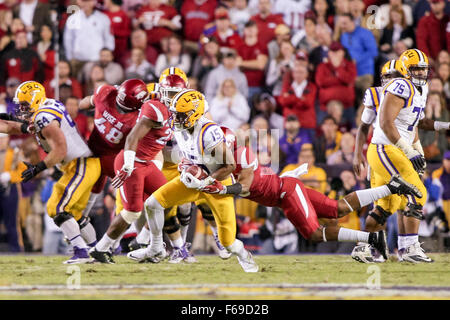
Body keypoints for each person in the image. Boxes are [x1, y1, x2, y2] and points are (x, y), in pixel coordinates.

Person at [199, 128, 421, 260]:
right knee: (337, 208)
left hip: (286, 193)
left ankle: (373, 237)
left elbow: (245, 186)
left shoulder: (242, 155)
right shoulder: (225, 164)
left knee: (314, 234)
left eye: (215, 148)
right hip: (285, 190)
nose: (213, 153)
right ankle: (392, 188)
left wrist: (223, 188)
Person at [130, 89, 259, 272]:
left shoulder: (208, 132)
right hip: (193, 180)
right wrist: (185, 164)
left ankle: (244, 255)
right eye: (175, 114)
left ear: (194, 114)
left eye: (180, 115)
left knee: (228, 242)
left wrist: (207, 181)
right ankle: (156, 247)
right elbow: (186, 154)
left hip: (218, 186)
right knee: (152, 204)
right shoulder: (179, 128)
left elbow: (229, 165)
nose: (176, 119)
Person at [0, 81, 101, 264]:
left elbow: (60, 150)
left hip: (80, 164)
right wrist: (12, 121)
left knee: (56, 207)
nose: (21, 109)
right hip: (80, 164)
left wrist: (38, 167)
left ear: (35, 100)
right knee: (75, 215)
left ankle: (81, 251)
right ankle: (100, 250)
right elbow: (12, 127)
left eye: (24, 105)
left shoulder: (43, 118)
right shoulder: (46, 108)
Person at [366, 49, 433, 263]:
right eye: (416, 69)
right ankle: (409, 249)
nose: (421, 74)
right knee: (417, 193)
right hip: (386, 148)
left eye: (424, 69)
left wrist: (418, 151)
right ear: (405, 69)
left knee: (389, 204)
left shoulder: (421, 88)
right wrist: (409, 151)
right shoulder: (401, 85)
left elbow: (412, 125)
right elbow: (386, 123)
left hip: (397, 149)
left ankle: (373, 248)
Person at [77, 79, 150, 263]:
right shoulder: (140, 116)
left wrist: (90, 105)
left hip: (92, 152)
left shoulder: (105, 92)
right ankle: (125, 236)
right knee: (138, 194)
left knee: (93, 196)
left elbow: (84, 103)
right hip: (111, 159)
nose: (121, 110)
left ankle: (102, 238)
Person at [63, 0, 115, 77]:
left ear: (93, 2)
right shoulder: (72, 19)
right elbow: (68, 40)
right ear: (79, 2)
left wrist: (107, 56)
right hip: (78, 60)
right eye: (83, 1)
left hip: (97, 59)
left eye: (88, 1)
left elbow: (109, 38)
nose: (86, 3)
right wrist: (70, 58)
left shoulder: (103, 18)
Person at [315, 41, 357, 125]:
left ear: (343, 52)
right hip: (325, 107)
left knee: (353, 129)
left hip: (346, 106)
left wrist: (338, 68)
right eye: (332, 52)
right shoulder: (322, 66)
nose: (335, 54)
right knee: (320, 131)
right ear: (329, 53)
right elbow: (320, 82)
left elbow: (350, 80)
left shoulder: (349, 65)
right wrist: (340, 80)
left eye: (337, 51)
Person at [236, 20, 268, 105]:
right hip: (242, 85)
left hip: (258, 85)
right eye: (248, 28)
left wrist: (243, 63)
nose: (250, 30)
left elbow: (261, 65)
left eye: (252, 27)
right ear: (244, 31)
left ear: (257, 30)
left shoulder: (262, 46)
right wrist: (254, 63)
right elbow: (237, 65)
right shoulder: (240, 47)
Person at [278, 61, 317, 131]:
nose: (298, 75)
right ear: (293, 74)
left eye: (301, 72)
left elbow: (308, 103)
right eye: (296, 72)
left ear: (307, 74)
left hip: (307, 125)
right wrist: (300, 99)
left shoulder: (312, 87)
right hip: (289, 125)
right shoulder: (286, 86)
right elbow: (282, 101)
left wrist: (290, 98)